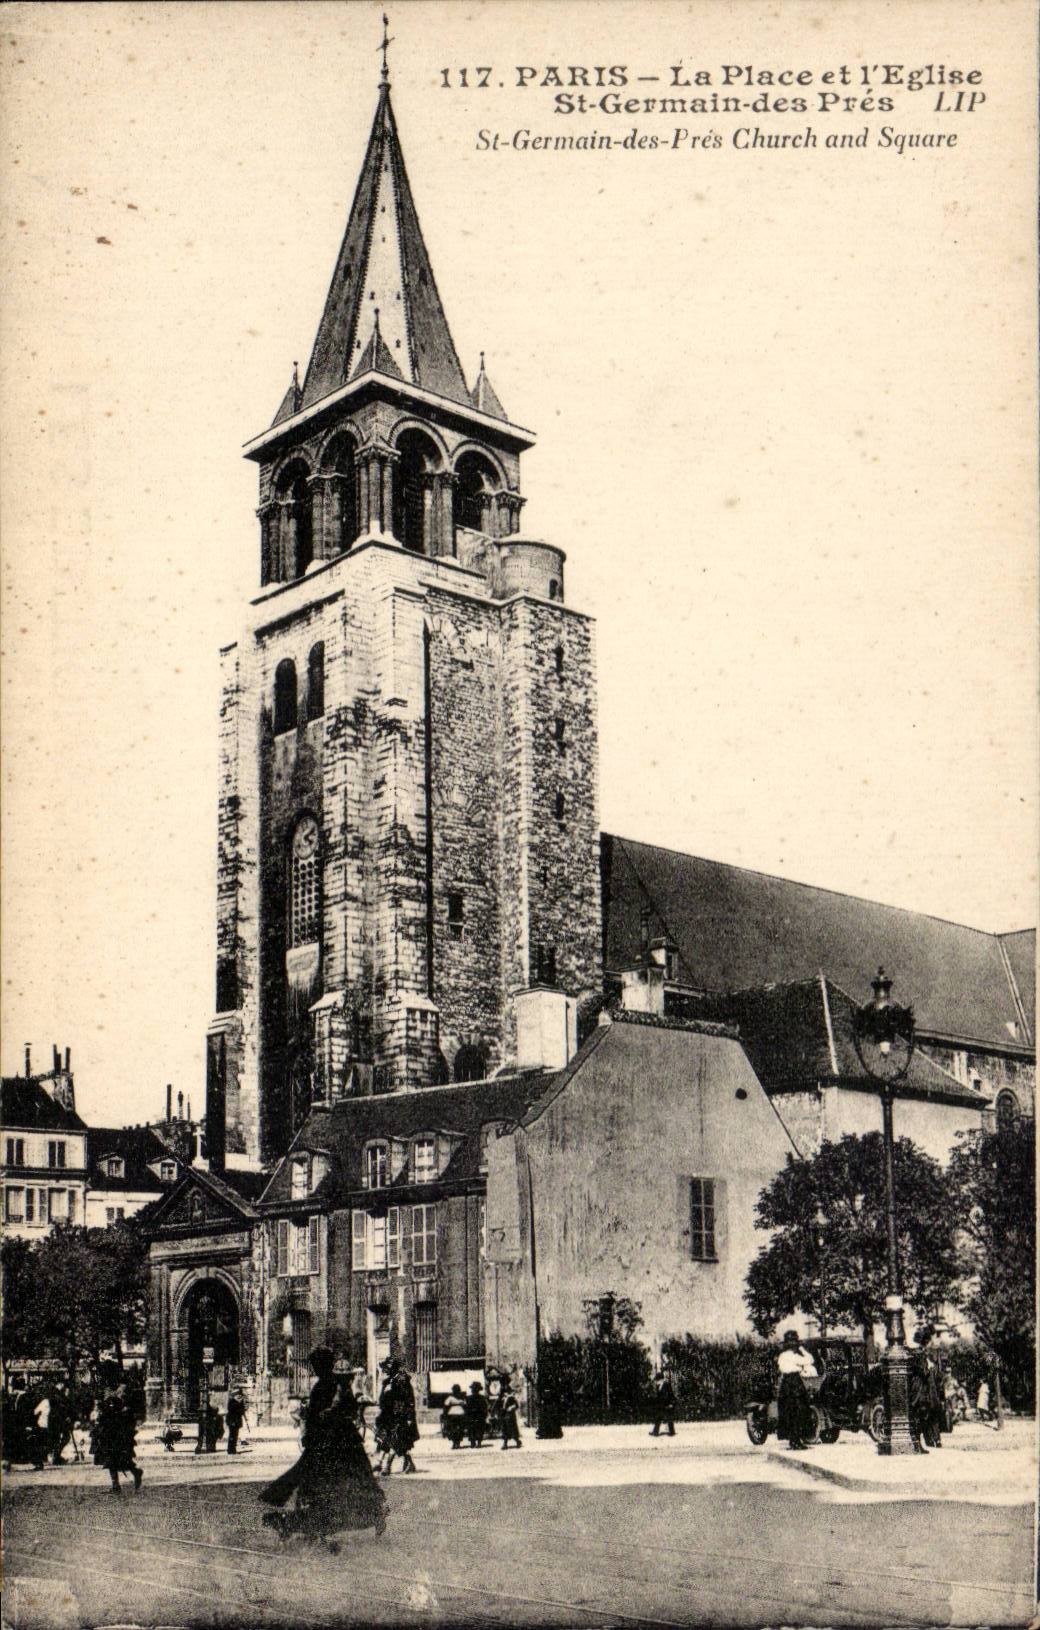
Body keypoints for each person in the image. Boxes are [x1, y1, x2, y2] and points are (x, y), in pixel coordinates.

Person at [259, 1347, 387, 1547]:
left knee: (320, 1483)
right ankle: (368, 1515)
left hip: (329, 1443)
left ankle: (301, 1523)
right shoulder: (334, 1385)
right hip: (339, 1441)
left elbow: (325, 1414)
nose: (314, 1368)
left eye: (316, 1365)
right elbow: (342, 1410)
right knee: (341, 1483)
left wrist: (315, 1421)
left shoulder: (326, 1385)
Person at [93, 1377, 143, 1494]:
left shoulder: (121, 1390)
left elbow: (126, 1410)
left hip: (118, 1430)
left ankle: (131, 1474)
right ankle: (118, 1484)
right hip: (110, 1430)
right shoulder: (107, 1390)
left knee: (118, 1457)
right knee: (112, 1458)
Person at [377, 1358, 419, 1475]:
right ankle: (409, 1463)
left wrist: (409, 1416)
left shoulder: (402, 1380)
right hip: (388, 1415)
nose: (385, 1370)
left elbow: (409, 1400)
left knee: (396, 1440)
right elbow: (382, 1400)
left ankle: (387, 1466)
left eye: (387, 1368)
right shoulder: (387, 1381)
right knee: (390, 1440)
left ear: (393, 1368)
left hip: (400, 1415)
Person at [776, 1331, 816, 1450]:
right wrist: (802, 1349)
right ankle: (797, 1441)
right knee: (800, 1411)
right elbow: (810, 1360)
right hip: (795, 1383)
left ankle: (793, 1441)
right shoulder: (793, 1356)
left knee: (789, 1412)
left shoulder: (782, 1356)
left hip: (786, 1384)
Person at [909, 1327, 943, 1452]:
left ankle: (927, 1441)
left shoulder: (921, 1354)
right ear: (926, 1341)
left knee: (924, 1414)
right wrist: (929, 1368)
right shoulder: (919, 1354)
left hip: (923, 1390)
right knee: (920, 1415)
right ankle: (918, 1444)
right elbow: (923, 1372)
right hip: (920, 1390)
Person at [649, 1371, 676, 1437]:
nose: (656, 1382)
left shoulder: (667, 1385)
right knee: (658, 1418)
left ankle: (672, 1432)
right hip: (661, 1405)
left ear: (661, 1380)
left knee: (669, 1418)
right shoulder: (659, 1386)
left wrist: (671, 1403)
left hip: (667, 1404)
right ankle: (655, 1432)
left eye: (657, 1380)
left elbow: (671, 1395)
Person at [535, 1375, 563, 1440]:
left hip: (550, 1403)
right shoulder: (545, 1381)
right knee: (546, 1418)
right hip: (547, 1403)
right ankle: (547, 1433)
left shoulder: (552, 1382)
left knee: (549, 1418)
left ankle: (553, 1433)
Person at [500, 1380, 522, 1450]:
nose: (505, 1393)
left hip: (510, 1415)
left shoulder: (511, 1397)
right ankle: (505, 1444)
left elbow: (516, 1405)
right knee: (504, 1429)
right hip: (504, 1414)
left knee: (512, 1429)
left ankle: (517, 1441)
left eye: (507, 1391)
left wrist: (511, 1407)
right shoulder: (502, 1396)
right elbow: (499, 1404)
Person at [465, 1381, 488, 1448]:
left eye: (475, 1389)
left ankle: (476, 1442)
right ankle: (475, 1442)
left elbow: (484, 1407)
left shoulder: (470, 1398)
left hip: (476, 1415)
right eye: (473, 1389)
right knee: (475, 1429)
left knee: (476, 1429)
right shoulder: (480, 1398)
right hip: (475, 1415)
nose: (474, 1390)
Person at [226, 1387, 247, 1454]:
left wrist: (242, 1405)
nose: (239, 1396)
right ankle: (230, 1449)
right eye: (238, 1395)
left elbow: (242, 1411)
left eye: (240, 1395)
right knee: (232, 1435)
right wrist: (239, 1404)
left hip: (237, 1421)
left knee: (235, 1436)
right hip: (232, 1421)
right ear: (235, 1395)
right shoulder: (232, 1401)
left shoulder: (239, 1402)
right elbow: (232, 1409)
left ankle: (233, 1449)